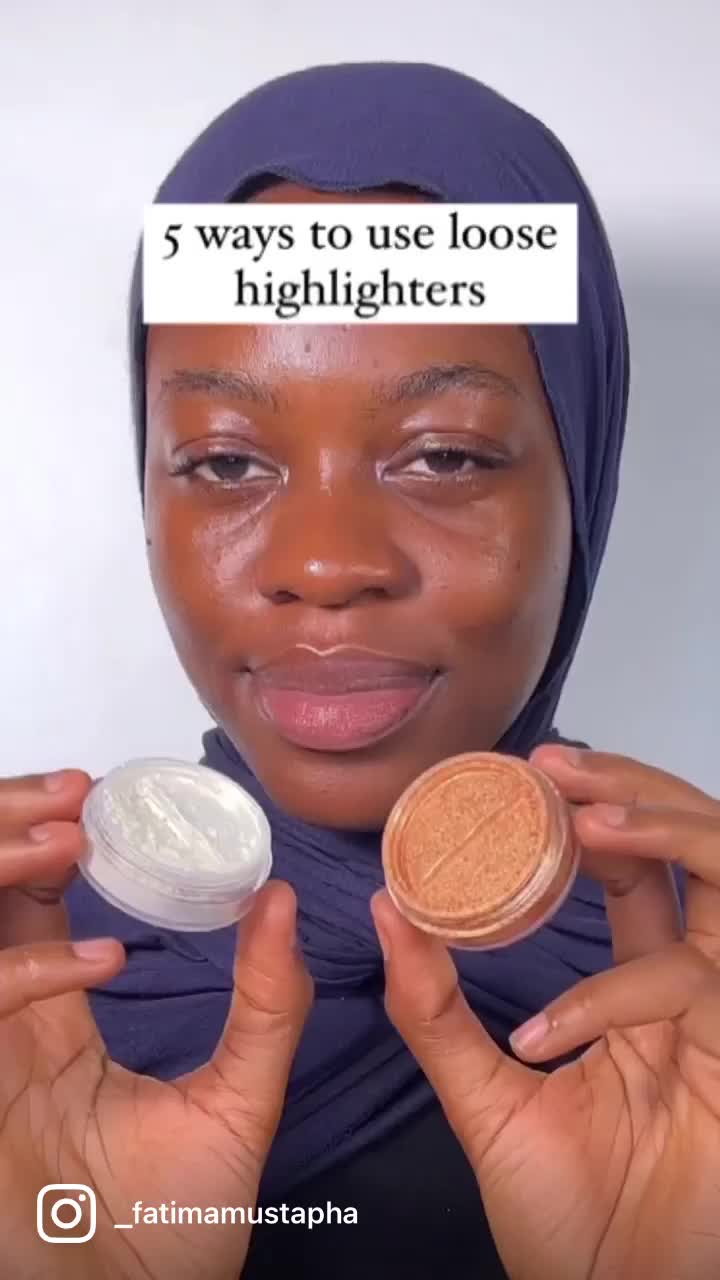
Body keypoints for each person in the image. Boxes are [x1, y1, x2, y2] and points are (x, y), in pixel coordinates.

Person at [2, 61, 719, 1280]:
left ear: (583, 480)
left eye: (445, 454)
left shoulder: (694, 1009)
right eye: (227, 463)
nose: (325, 563)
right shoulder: (32, 1012)